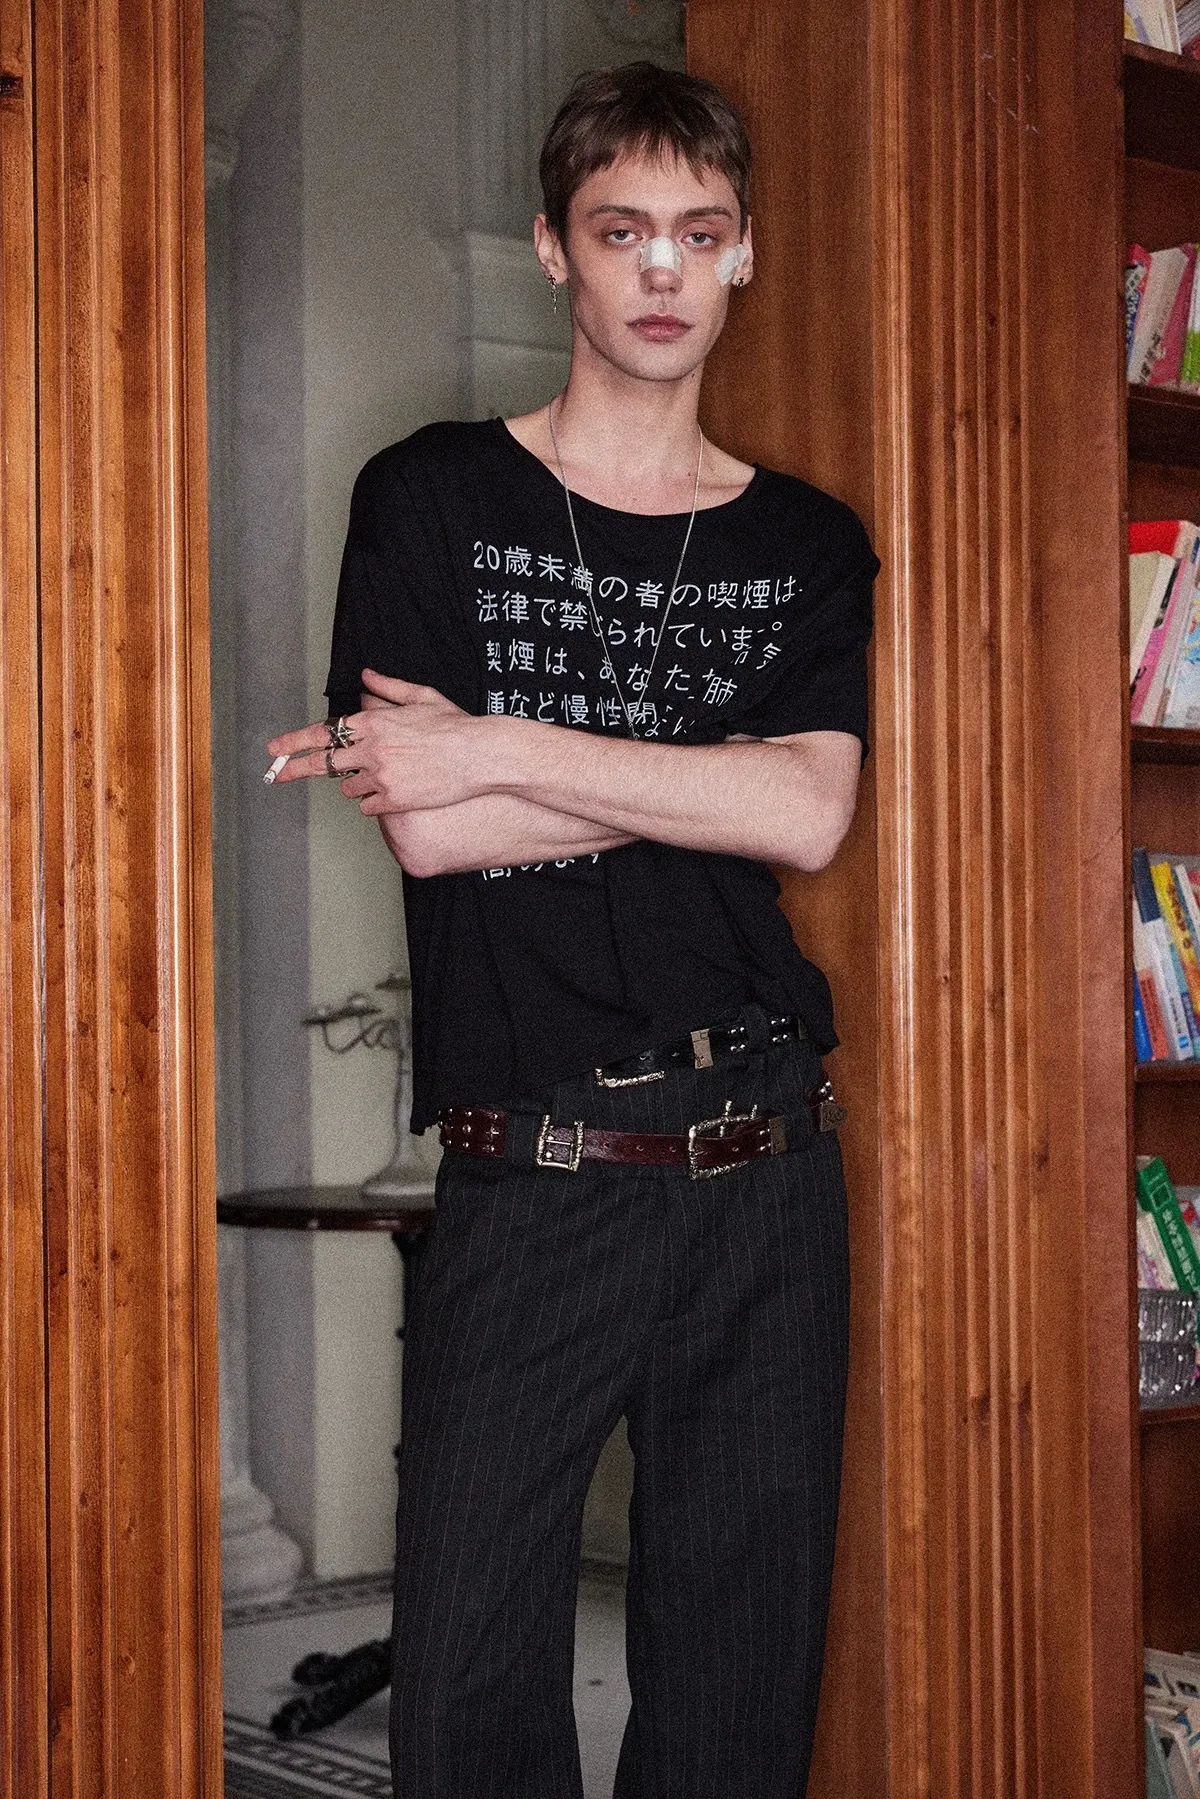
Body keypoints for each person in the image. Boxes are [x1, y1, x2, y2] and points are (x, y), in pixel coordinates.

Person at [266, 60, 878, 1799]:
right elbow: (433, 827)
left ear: (745, 252)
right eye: (622, 232)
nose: (663, 270)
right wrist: (712, 774)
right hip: (536, 1162)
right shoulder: (434, 499)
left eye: (700, 231)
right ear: (555, 249)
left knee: (741, 1693)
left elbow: (810, 816)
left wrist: (501, 742)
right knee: (468, 1689)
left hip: (769, 1161)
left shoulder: (806, 541)